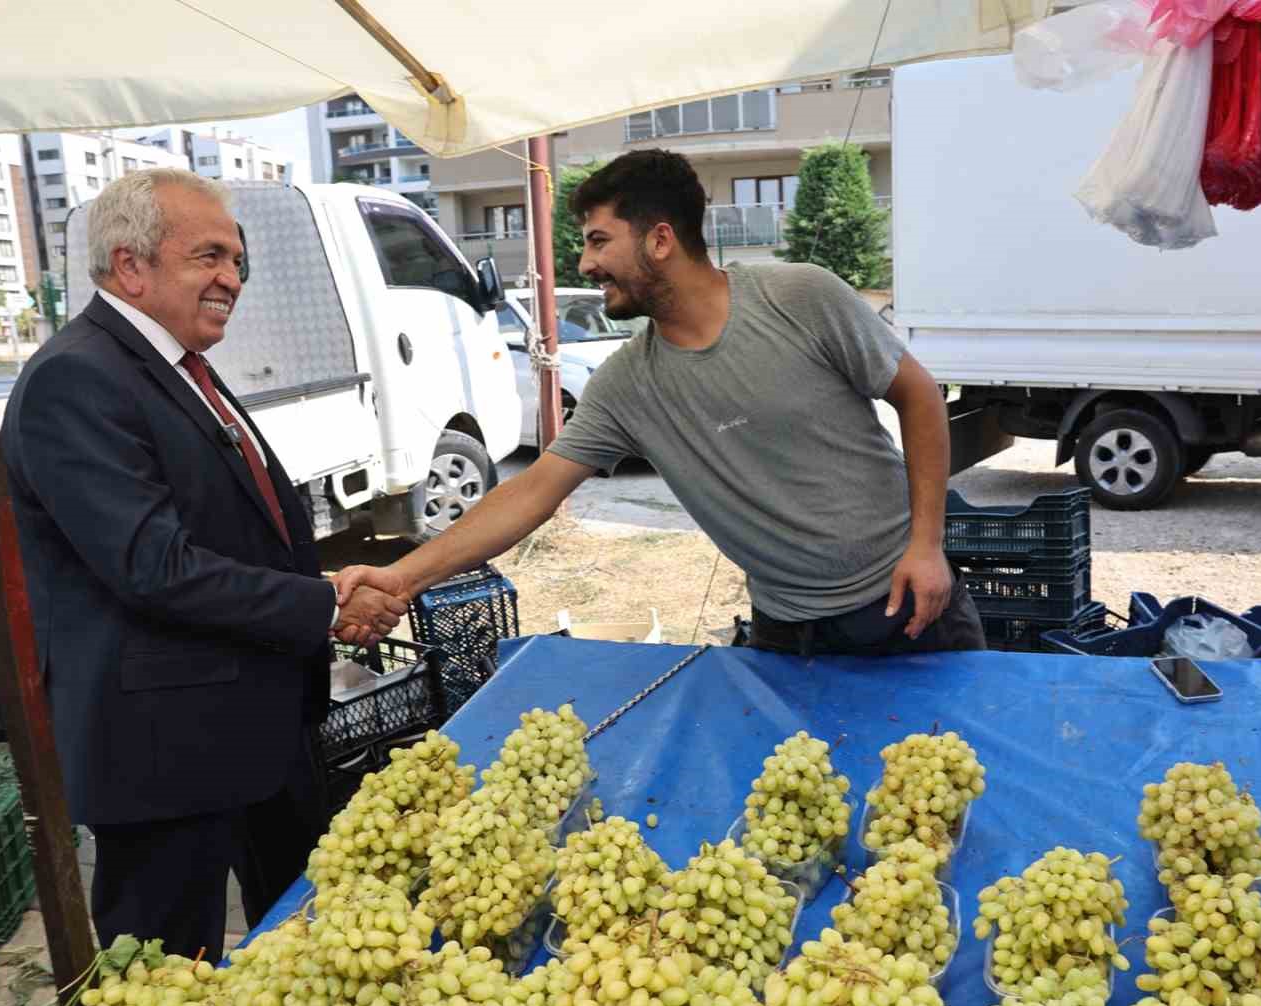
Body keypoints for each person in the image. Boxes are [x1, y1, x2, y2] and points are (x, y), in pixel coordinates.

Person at [336, 149, 983, 656]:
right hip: (787, 632)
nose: (584, 263)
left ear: (661, 240)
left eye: (598, 240)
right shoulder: (627, 383)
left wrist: (926, 546)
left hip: (906, 602)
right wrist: (404, 578)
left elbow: (919, 395)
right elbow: (530, 493)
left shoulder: (802, 297)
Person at [1, 169, 405, 961]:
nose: (232, 280)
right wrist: (324, 608)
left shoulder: (178, 361)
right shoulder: (75, 378)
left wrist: (317, 591)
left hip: (254, 725)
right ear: (131, 266)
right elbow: (155, 566)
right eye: (210, 257)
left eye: (238, 261)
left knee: (290, 948)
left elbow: (233, 533)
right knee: (160, 981)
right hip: (166, 755)